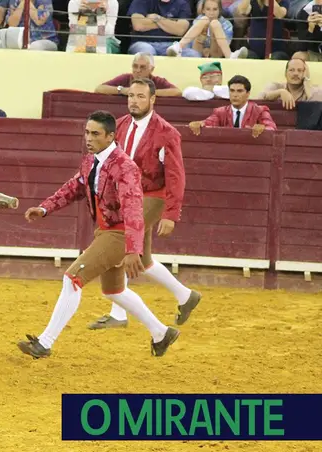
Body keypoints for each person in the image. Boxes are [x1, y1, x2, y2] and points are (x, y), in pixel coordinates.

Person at [17, 110, 180, 359]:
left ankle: (45, 342)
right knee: (114, 291)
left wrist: (132, 249)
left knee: (72, 279)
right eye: (86, 132)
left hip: (117, 234)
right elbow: (75, 187)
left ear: (111, 136)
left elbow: (134, 210)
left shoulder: (125, 167)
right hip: (105, 230)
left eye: (95, 134)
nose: (88, 138)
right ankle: (161, 332)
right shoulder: (90, 160)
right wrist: (45, 207)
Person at [88, 78, 199, 331]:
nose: (134, 101)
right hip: (128, 198)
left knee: (119, 241)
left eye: (140, 96)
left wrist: (171, 213)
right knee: (143, 259)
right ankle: (185, 296)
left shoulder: (167, 133)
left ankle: (118, 313)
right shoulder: (120, 125)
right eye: (130, 96)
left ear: (152, 100)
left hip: (153, 197)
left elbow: (175, 175)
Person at [189, 75, 277, 137]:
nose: (235, 95)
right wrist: (200, 123)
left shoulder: (260, 111)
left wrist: (263, 129)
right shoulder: (220, 112)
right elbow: (209, 122)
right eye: (232, 91)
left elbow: (272, 127)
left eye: (239, 91)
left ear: (248, 94)